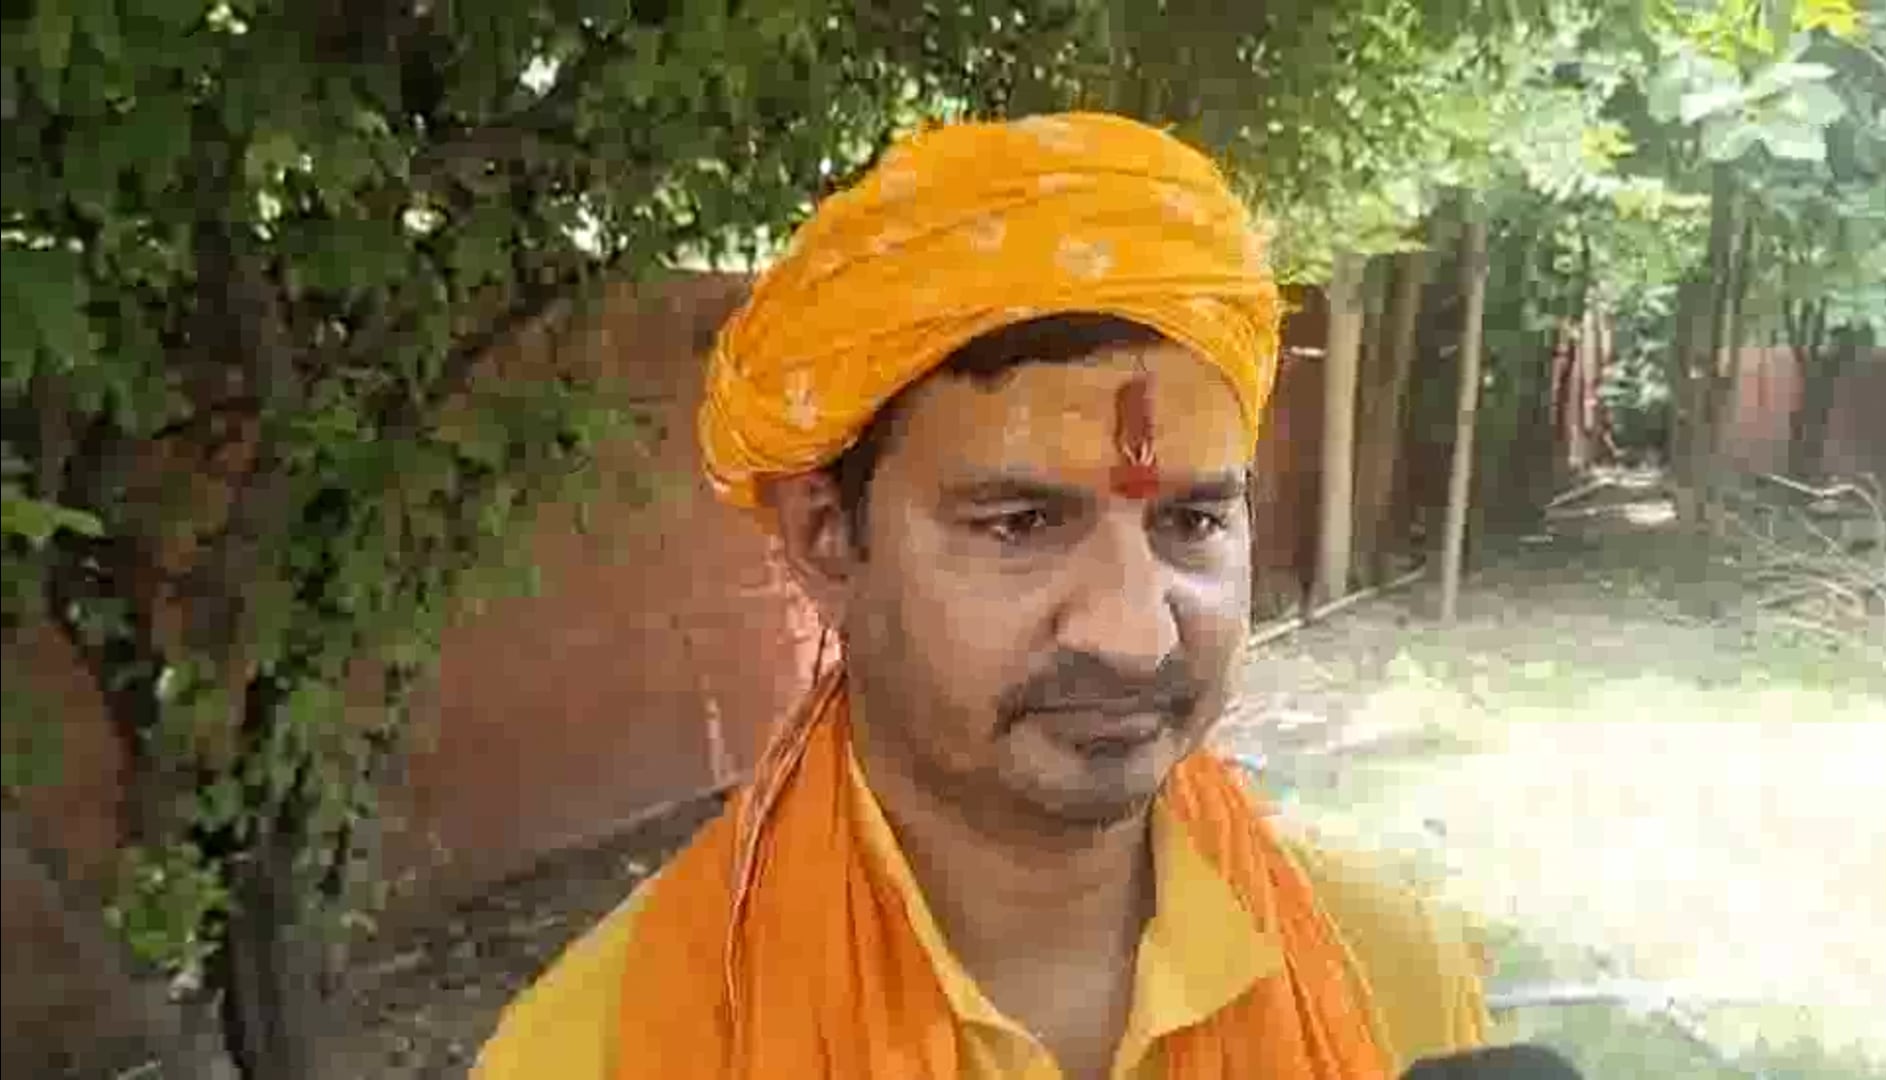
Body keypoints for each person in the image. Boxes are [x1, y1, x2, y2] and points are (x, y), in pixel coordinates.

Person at [474, 112, 1488, 1080]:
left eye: (1191, 522)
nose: (1136, 635)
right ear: (827, 539)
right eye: (1022, 524)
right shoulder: (601, 1051)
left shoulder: (1393, 984)